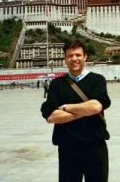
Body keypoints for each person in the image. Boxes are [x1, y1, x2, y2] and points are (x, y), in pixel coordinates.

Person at [40, 40, 111, 182]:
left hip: (95, 146)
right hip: (68, 148)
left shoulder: (97, 80)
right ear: (65, 59)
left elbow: (95, 107)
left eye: (78, 55)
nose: (74, 59)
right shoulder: (57, 84)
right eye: (70, 56)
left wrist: (65, 107)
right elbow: (51, 116)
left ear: (85, 57)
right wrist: (85, 110)